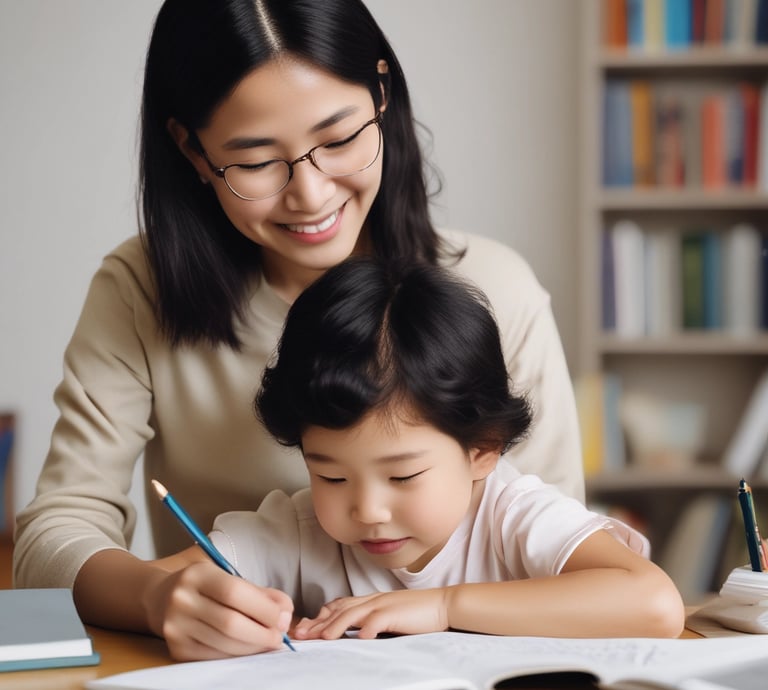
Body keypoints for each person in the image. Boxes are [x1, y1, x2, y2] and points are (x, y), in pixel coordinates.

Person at [14, 0, 583, 643]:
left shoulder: (496, 291)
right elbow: (51, 539)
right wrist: (155, 595)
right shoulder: (145, 291)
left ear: (382, 94)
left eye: (338, 139)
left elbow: (563, 564)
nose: (311, 195)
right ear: (194, 152)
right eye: (256, 161)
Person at [152, 257, 684, 660]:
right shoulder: (299, 528)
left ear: (483, 448)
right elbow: (127, 586)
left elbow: (655, 604)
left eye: (403, 475)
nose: (367, 509)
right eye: (330, 474)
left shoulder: (513, 515)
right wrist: (165, 600)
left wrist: (443, 606)